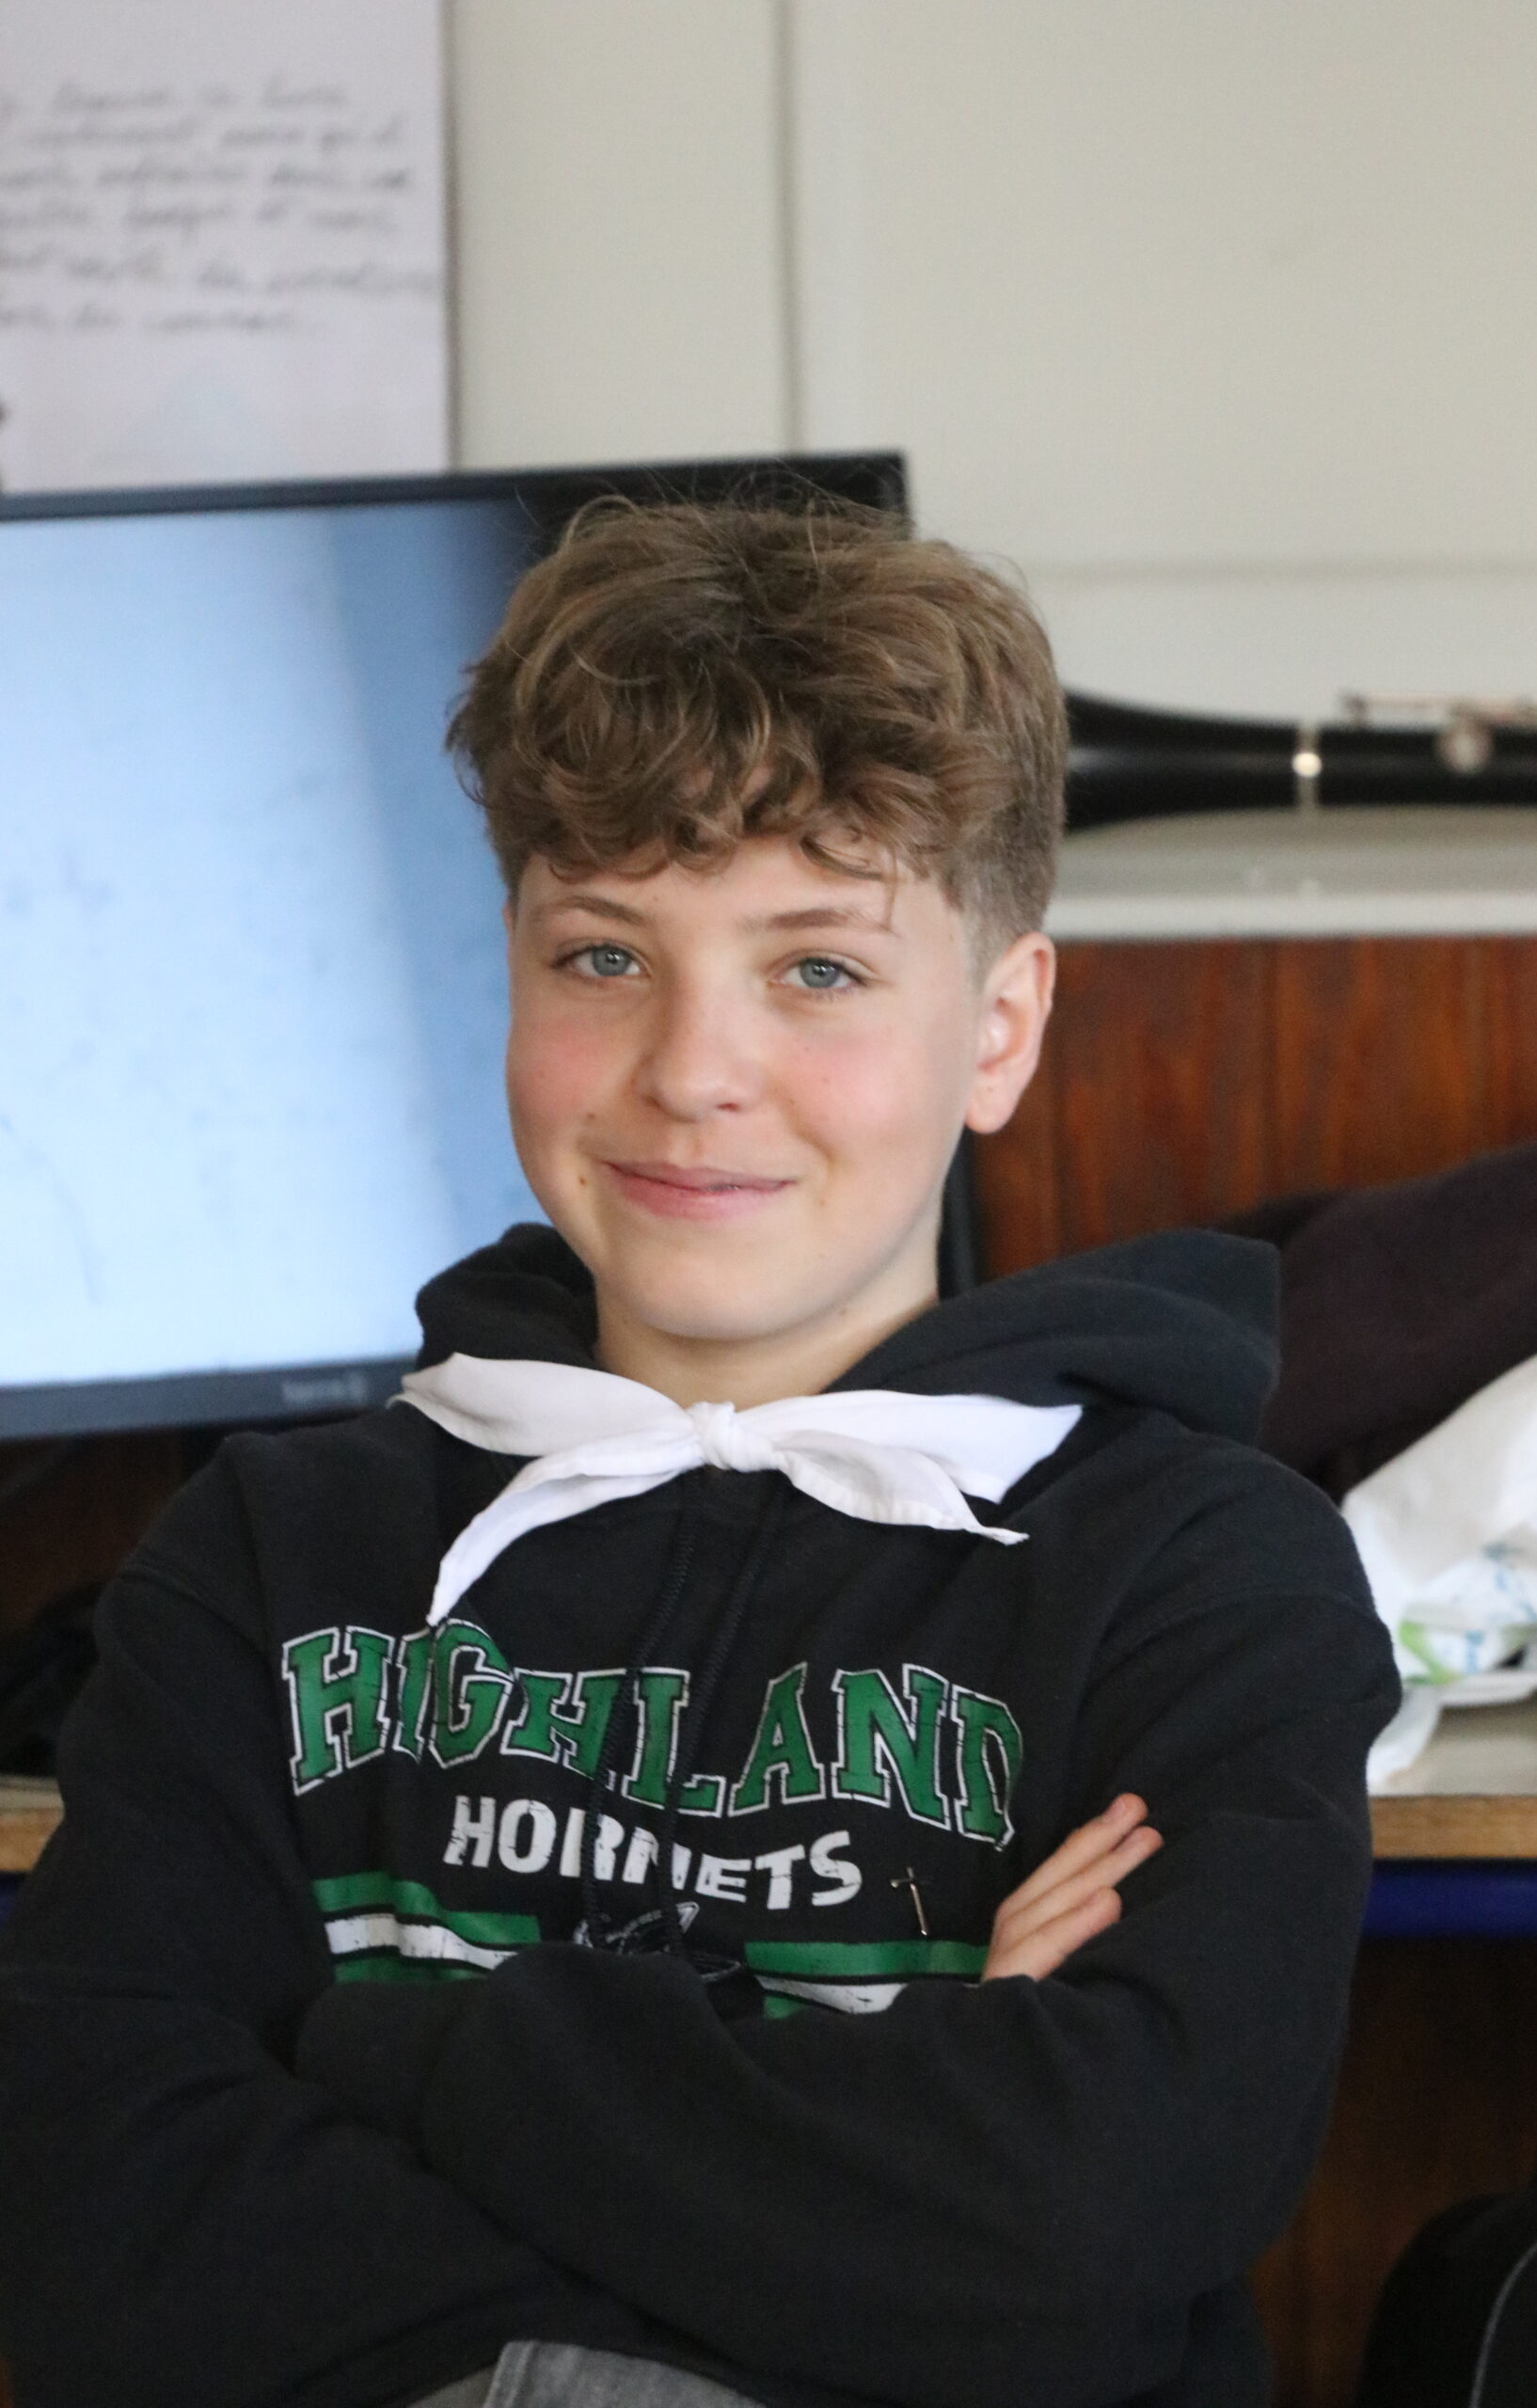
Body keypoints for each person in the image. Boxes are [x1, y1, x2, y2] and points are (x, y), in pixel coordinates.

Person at [0, 497, 1398, 2408]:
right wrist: (864, 2169)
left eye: (816, 969)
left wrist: (393, 2052)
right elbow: (93, 2221)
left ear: (999, 1028)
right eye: (601, 956)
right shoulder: (264, 1552)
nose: (689, 1070)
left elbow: (1081, 2226)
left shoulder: (1199, 1574)